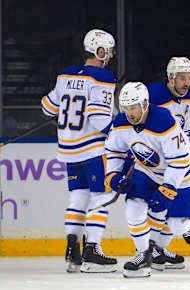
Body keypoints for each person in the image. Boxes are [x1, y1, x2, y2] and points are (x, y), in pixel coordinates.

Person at [41, 29, 117, 273]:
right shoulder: (103, 76)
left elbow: (47, 107)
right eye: (110, 51)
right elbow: (97, 117)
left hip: (68, 148)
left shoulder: (65, 75)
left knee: (78, 197)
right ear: (101, 51)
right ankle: (92, 248)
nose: (112, 55)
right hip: (92, 148)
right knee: (101, 197)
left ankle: (72, 250)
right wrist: (117, 135)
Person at [104, 82, 190, 278]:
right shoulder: (121, 122)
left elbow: (179, 160)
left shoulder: (163, 120)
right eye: (126, 108)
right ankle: (144, 254)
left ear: (145, 104)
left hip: (181, 174)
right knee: (133, 207)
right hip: (147, 171)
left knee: (177, 226)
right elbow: (114, 150)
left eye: (134, 107)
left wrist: (168, 187)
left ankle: (182, 228)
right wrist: (113, 175)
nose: (129, 113)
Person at [146, 57, 190, 266]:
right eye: (182, 78)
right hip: (153, 162)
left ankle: (159, 250)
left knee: (171, 204)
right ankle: (147, 250)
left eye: (189, 78)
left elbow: (184, 132)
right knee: (155, 206)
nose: (187, 83)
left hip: (174, 162)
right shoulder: (153, 94)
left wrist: (188, 153)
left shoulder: (189, 100)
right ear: (170, 78)